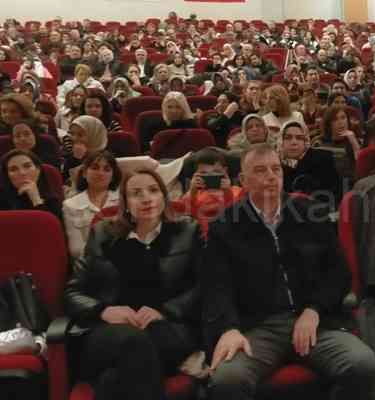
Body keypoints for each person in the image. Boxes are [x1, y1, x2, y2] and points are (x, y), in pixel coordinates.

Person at [202, 144, 375, 400]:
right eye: (261, 170)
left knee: (363, 364)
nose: (271, 176)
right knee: (227, 381)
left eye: (276, 169)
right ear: (243, 180)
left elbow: (338, 272)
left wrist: (314, 309)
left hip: (313, 322)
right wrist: (228, 329)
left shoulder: (310, 214)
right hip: (257, 328)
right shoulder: (225, 226)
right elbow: (216, 287)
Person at [64, 169, 203, 400]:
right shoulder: (103, 233)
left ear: (163, 197)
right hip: (110, 332)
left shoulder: (187, 231)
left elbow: (202, 287)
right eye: (136, 193)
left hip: (167, 327)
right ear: (126, 203)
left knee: (113, 380)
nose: (147, 198)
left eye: (153, 190)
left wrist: (165, 310)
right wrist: (104, 310)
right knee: (132, 342)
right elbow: (72, 292)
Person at [62, 151, 121, 259]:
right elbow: (76, 250)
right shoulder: (70, 205)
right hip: (89, 266)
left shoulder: (123, 200)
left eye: (107, 169)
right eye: (95, 168)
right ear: (84, 173)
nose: (100, 173)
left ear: (113, 176)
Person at [180, 147, 243, 234]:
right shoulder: (194, 193)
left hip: (229, 231)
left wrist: (227, 192)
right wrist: (192, 191)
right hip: (201, 232)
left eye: (216, 172)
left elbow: (238, 213)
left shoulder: (236, 190)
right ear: (196, 174)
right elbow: (185, 212)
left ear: (225, 171)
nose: (211, 177)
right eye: (203, 173)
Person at [280, 120, 341, 201]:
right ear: (281, 141)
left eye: (299, 138)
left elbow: (331, 196)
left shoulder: (322, 158)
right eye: (288, 138)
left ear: (306, 141)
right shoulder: (274, 164)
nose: (294, 142)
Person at [0, 149, 62, 220]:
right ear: (7, 175)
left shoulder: (52, 200)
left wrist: (36, 199)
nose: (22, 173)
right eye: (13, 169)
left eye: (27, 166)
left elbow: (51, 228)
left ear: (38, 170)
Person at [314, 105, 362, 182]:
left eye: (343, 118)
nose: (340, 122)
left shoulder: (356, 141)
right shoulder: (319, 142)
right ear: (329, 124)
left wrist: (354, 142)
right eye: (335, 119)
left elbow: (361, 166)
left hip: (349, 183)